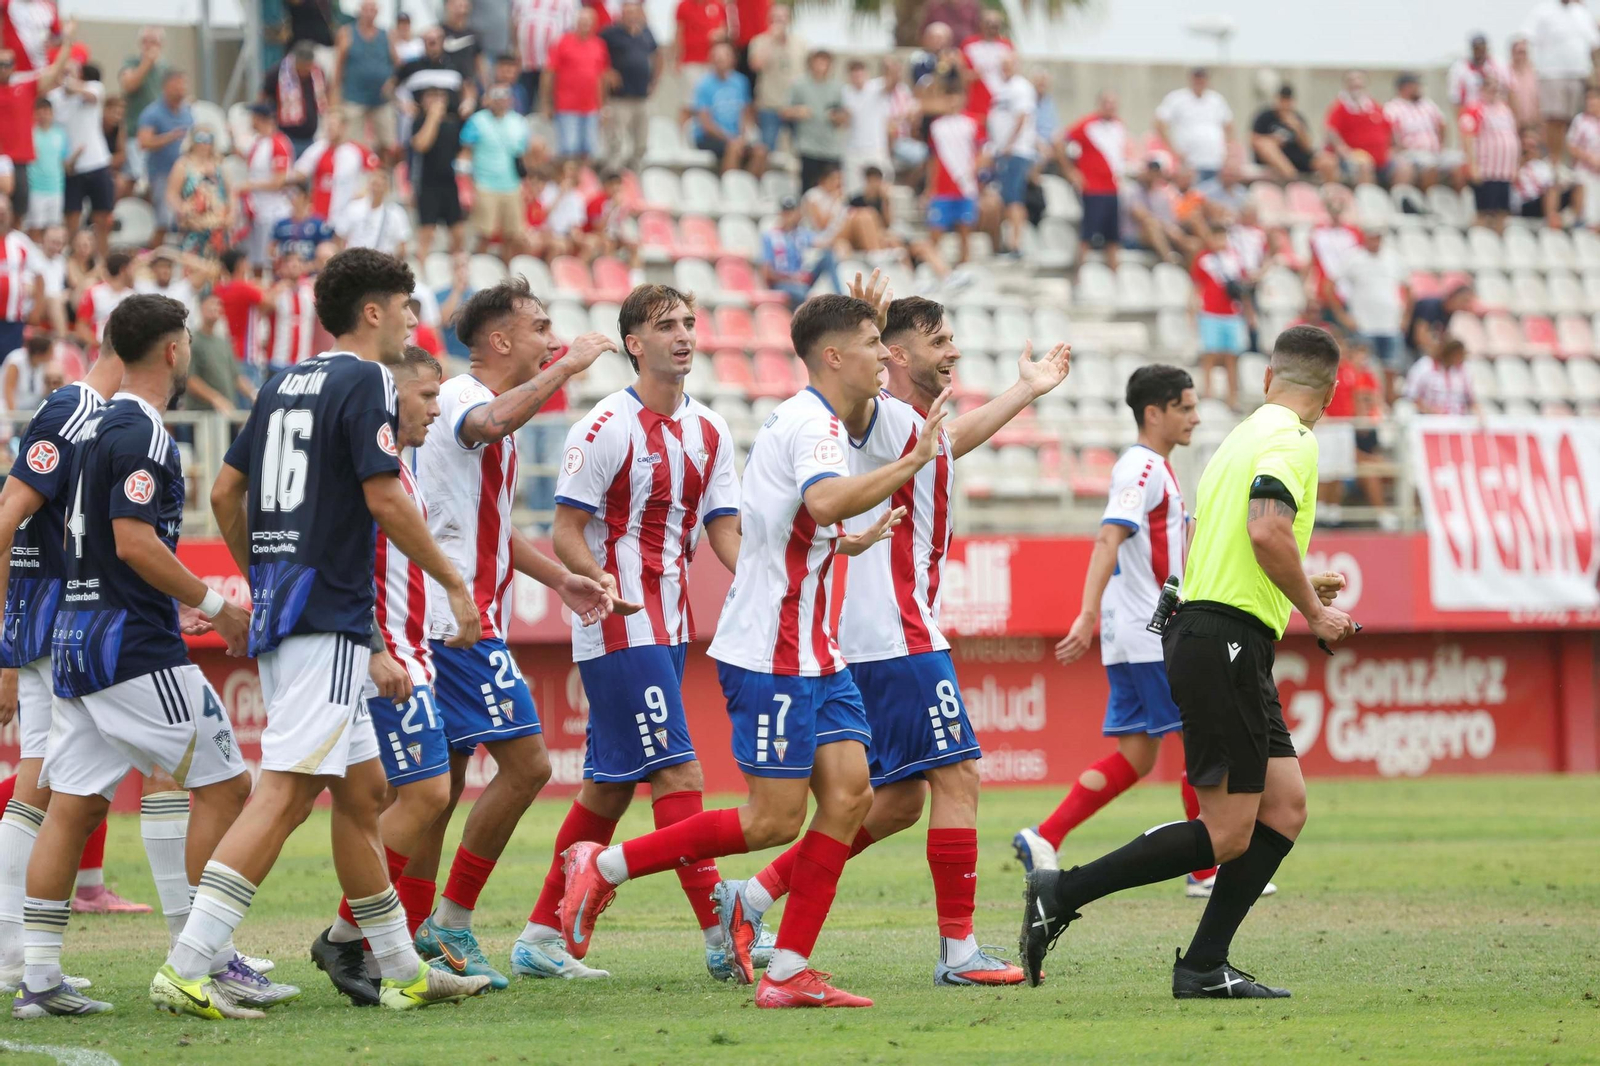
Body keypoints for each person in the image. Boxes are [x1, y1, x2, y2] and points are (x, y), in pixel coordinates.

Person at [555, 291, 954, 1010]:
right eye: (871, 343)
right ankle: (605, 865)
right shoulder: (809, 425)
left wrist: (844, 537)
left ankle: (788, 970)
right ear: (833, 357)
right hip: (770, 647)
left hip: (813, 646)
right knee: (772, 820)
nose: (886, 355)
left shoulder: (825, 420)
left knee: (852, 795)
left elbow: (805, 521)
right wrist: (913, 460)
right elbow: (827, 500)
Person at [156, 249, 493, 1019]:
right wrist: (450, 579)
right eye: (407, 306)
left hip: (293, 613)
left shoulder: (280, 381)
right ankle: (186, 965)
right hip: (326, 618)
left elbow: (225, 489)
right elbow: (384, 497)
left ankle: (401, 967)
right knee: (282, 794)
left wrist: (265, 581)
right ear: (374, 312)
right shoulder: (367, 379)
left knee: (364, 793)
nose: (415, 319)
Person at [721, 283, 1070, 989]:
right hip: (893, 630)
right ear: (896, 353)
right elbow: (855, 399)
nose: (955, 352)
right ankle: (959, 950)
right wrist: (866, 324)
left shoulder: (907, 422)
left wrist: (1024, 391)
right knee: (959, 775)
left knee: (895, 802)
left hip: (880, 630)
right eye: (939, 341)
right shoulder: (869, 418)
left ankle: (752, 896)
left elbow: (953, 442)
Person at [1019, 324, 1357, 998]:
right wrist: (1315, 614)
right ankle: (1061, 892)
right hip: (1222, 640)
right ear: (1331, 393)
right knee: (1229, 832)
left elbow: (1233, 543)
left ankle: (1202, 965)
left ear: (1267, 380)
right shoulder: (1293, 439)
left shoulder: (1241, 437)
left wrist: (1293, 589)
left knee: (1284, 808)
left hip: (1219, 632)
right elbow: (1267, 529)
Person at [20, 295, 280, 1018]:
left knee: (72, 805)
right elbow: (134, 540)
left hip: (75, 637)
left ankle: (37, 980)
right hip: (129, 645)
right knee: (227, 785)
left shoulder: (93, 425)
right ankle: (209, 960)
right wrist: (219, 603)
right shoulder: (142, 430)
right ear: (173, 350)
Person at [521, 285, 764, 980]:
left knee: (607, 789)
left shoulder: (711, 430)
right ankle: (721, 931)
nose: (684, 335)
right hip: (616, 626)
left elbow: (724, 529)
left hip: (671, 623)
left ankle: (538, 938)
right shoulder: (602, 428)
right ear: (635, 343)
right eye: (666, 326)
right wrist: (597, 580)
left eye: (689, 322)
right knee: (680, 771)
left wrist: (764, 584)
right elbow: (565, 531)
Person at [398, 278, 619, 989]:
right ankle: (447, 923)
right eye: (540, 328)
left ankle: (407, 932)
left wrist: (558, 579)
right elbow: (487, 425)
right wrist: (567, 368)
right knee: (526, 766)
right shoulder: (464, 398)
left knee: (447, 782)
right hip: (453, 621)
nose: (553, 340)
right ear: (499, 341)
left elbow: (490, 525)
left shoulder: (486, 410)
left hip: (453, 613)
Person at [1016, 366, 1225, 897]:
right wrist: (1086, 613)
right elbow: (1109, 537)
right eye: (1185, 407)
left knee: (1138, 756)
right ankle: (1205, 868)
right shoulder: (1141, 466)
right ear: (1154, 412)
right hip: (1151, 635)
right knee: (1205, 738)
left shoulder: (1156, 467)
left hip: (1133, 634)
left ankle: (1045, 835)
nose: (1196, 417)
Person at [307, 345, 449, 1005]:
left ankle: (352, 936)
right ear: (391, 399)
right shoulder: (373, 466)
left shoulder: (401, 466)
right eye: (426, 395)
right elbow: (343, 558)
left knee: (388, 797)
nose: (436, 407)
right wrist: (371, 646)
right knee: (420, 795)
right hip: (384, 651)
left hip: (410, 645)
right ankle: (347, 935)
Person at [0, 29, 72, 222]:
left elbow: (55, 71)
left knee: (17, 213)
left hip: (20, 161)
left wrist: (67, 42)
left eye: (7, 64)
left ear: (14, 66)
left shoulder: (24, 88)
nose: (3, 68)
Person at [1523, 0, 1600, 167]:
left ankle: (1569, 163)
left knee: (1577, 122)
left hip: (1579, 73)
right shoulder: (1543, 10)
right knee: (1555, 119)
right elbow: (1528, 38)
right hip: (1552, 73)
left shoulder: (1581, 12)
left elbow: (1594, 42)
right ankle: (1555, 163)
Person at [461, 86, 530, 259]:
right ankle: (477, 268)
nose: (501, 102)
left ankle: (507, 272)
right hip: (485, 183)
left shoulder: (519, 122)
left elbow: (521, 154)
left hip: (512, 184)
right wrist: (466, 184)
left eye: (504, 98)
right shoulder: (477, 121)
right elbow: (466, 152)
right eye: (496, 98)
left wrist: (525, 182)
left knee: (512, 234)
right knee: (485, 234)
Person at [1061, 91, 1126, 272]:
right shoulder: (1087, 125)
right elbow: (1060, 141)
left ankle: (1116, 279)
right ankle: (1078, 276)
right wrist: (1071, 171)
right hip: (1094, 189)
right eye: (1106, 102)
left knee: (1113, 239)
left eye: (1113, 103)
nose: (1110, 107)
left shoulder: (1119, 126)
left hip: (1113, 188)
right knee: (1087, 236)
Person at [1330, 228, 1407, 376]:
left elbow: (1409, 290)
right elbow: (1330, 286)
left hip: (1391, 325)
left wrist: (1405, 317)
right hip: (1363, 325)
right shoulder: (1353, 258)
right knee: (1362, 371)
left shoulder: (1394, 258)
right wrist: (1342, 316)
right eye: (1372, 238)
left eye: (1378, 238)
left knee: (1391, 371)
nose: (1375, 242)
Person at [598, 1, 658, 171]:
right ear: (621, 15)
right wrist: (607, 71)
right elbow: (595, 52)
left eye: (635, 13)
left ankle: (633, 179)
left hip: (641, 98)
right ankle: (613, 179)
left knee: (641, 145)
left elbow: (658, 54)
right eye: (628, 13)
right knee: (618, 145)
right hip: (620, 98)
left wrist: (654, 82)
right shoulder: (610, 34)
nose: (632, 16)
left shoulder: (646, 33)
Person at [987, 51, 1037, 256]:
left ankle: (1015, 244)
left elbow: (1022, 116)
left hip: (1016, 152)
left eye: (1008, 64)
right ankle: (1007, 243)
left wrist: (1009, 144)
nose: (1004, 68)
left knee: (1013, 199)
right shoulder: (1002, 89)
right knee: (1006, 199)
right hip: (1003, 152)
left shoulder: (1021, 87)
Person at [333, 0, 395, 160]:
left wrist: (392, 82)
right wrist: (334, 97)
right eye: (366, 9)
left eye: (372, 10)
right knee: (353, 143)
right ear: (360, 11)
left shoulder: (386, 34)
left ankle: (384, 177)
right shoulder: (347, 33)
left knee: (388, 143)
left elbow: (397, 63)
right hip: (354, 96)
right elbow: (338, 66)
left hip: (381, 98)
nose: (369, 13)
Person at [1192, 229, 1247, 409]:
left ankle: (1232, 396)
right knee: (1211, 354)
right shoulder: (1203, 259)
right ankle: (1209, 393)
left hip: (1232, 313)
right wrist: (1192, 308)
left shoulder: (1234, 258)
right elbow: (1197, 285)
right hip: (1210, 312)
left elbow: (1241, 286)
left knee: (1232, 357)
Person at [293, 110, 378, 224]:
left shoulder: (357, 151)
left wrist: (365, 192)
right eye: (328, 125)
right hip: (320, 215)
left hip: (348, 216)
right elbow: (299, 173)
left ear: (344, 127)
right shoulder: (317, 149)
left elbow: (378, 174)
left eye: (333, 125)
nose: (329, 129)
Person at [545, 8, 608, 161]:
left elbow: (601, 78)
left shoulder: (599, 45)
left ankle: (583, 183)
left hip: (591, 108)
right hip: (566, 107)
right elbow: (548, 75)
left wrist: (603, 106)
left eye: (588, 22)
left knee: (589, 149)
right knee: (568, 149)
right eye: (582, 21)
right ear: (576, 23)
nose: (585, 25)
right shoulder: (562, 42)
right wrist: (547, 103)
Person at [135, 69, 192, 237]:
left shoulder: (187, 111)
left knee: (186, 221)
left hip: (186, 175)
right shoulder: (152, 113)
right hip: (162, 174)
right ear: (166, 87)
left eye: (183, 85)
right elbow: (143, 142)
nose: (181, 89)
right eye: (177, 85)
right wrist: (169, 138)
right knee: (164, 222)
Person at [410, 87, 464, 261]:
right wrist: (433, 117)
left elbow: (462, 151)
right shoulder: (418, 122)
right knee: (427, 233)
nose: (436, 100)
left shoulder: (453, 123)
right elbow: (421, 144)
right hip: (427, 183)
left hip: (449, 182)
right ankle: (421, 273)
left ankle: (454, 271)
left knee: (458, 234)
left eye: (440, 96)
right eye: (431, 96)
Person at [692, 42, 763, 176]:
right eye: (717, 57)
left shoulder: (740, 82)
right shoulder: (704, 85)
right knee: (733, 147)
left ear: (732, 59)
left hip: (735, 137)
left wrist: (742, 137)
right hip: (708, 137)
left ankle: (748, 187)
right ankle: (730, 188)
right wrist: (730, 138)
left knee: (761, 152)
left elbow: (744, 114)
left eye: (724, 56)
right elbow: (706, 123)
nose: (721, 60)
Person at [1459, 78, 1518, 233]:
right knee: (1483, 211)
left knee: (1503, 211)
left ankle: (1498, 243)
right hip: (1487, 170)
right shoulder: (1476, 109)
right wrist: (1473, 165)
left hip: (1504, 171)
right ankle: (1477, 241)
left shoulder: (1505, 110)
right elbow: (1468, 137)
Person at [165, 128, 235, 257]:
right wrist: (182, 210)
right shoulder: (183, 164)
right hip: (194, 222)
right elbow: (172, 193)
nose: (203, 144)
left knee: (218, 262)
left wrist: (232, 213)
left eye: (207, 140)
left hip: (218, 222)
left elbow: (230, 191)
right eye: (200, 139)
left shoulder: (219, 163)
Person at [1154, 67, 1232, 181]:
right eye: (1197, 78)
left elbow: (1229, 126)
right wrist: (1174, 151)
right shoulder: (1177, 98)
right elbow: (1160, 123)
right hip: (1189, 162)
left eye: (1202, 78)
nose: (1199, 81)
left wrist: (1227, 151)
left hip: (1215, 161)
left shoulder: (1216, 100)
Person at [240, 103, 294, 268]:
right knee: (255, 259)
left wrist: (250, 185)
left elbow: (279, 181)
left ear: (259, 119)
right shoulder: (258, 142)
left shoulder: (278, 143)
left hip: (273, 210)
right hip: (257, 209)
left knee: (269, 260)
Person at [183, 292, 253, 414]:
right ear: (200, 308)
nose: (215, 308)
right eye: (210, 304)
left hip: (226, 414)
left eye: (218, 304)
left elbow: (236, 376)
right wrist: (216, 398)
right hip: (201, 416)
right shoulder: (192, 341)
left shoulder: (224, 342)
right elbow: (190, 380)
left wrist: (254, 395)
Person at [746, 3, 803, 154]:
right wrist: (771, 40)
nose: (779, 22)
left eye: (783, 18)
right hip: (769, 107)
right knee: (766, 151)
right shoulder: (759, 41)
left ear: (789, 20)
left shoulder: (800, 44)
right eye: (775, 19)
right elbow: (756, 64)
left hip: (794, 108)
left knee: (800, 152)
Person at [926, 109, 980, 264]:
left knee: (964, 231)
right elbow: (933, 158)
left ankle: (964, 265)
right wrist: (930, 187)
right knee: (936, 231)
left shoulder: (971, 123)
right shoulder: (937, 126)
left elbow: (983, 152)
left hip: (965, 187)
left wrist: (972, 172)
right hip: (942, 189)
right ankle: (934, 265)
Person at [1250, 84, 1334, 184]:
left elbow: (1308, 147)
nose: (1285, 104)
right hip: (1275, 159)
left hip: (1299, 158)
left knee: (1329, 161)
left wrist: (1298, 129)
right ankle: (1293, 179)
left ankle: (1330, 191)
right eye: (1282, 100)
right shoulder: (1265, 116)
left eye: (1288, 100)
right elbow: (1254, 140)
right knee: (1266, 145)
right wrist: (1273, 140)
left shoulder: (1297, 118)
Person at [786, 49, 844, 192]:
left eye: (825, 62)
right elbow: (784, 111)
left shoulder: (837, 87)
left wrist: (837, 117)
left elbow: (844, 116)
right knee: (808, 190)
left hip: (831, 148)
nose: (821, 66)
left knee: (832, 191)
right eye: (818, 62)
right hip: (808, 147)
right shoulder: (799, 84)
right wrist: (798, 112)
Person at [1385, 73, 1452, 190]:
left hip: (1435, 151)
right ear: (1404, 87)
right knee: (1430, 165)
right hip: (1411, 152)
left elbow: (1442, 124)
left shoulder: (1427, 104)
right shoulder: (1393, 108)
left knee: (1458, 163)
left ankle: (1452, 202)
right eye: (1415, 85)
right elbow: (1390, 133)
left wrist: (1441, 144)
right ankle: (1428, 198)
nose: (1418, 88)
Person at [761, 194, 832, 307]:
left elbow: (824, 242)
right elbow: (767, 273)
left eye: (792, 212)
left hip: (802, 279)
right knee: (801, 293)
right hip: (783, 282)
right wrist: (791, 278)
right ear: (780, 214)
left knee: (828, 256)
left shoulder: (801, 234)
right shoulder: (770, 236)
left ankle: (840, 293)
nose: (789, 216)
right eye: (786, 212)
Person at [1322, 70, 1390, 185]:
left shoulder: (1374, 106)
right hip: (1354, 157)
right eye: (1352, 80)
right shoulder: (1340, 107)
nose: (1356, 83)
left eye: (1359, 79)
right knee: (1364, 164)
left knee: (1404, 167)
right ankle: (1367, 197)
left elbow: (1389, 129)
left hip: (1382, 159)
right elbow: (1331, 132)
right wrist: (1344, 151)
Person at [512, 0, 578, 113]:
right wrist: (515, 47)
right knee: (524, 99)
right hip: (526, 61)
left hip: (551, 65)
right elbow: (515, 23)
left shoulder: (568, 2)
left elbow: (570, 30)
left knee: (547, 101)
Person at [264, 41, 325, 160]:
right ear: (296, 62)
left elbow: (323, 97)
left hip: (311, 137)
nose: (306, 70)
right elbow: (263, 97)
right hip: (286, 136)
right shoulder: (278, 72)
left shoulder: (316, 74)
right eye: (303, 67)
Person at [840, 59, 892, 194]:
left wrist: (889, 67)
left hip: (875, 149)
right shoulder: (845, 92)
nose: (857, 78)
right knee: (853, 192)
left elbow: (892, 82)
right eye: (854, 75)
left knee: (881, 190)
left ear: (866, 74)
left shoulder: (876, 87)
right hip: (853, 150)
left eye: (860, 74)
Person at [1517, 125, 1582, 228]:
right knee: (1551, 191)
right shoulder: (1517, 166)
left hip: (1545, 199)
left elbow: (1551, 183)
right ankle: (1552, 221)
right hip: (1526, 203)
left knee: (1578, 186)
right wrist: (1522, 161)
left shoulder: (1542, 166)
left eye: (1533, 146)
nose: (1530, 150)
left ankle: (1575, 221)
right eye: (1527, 146)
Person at [337, 169, 411, 258]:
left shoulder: (396, 213)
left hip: (383, 262)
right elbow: (340, 237)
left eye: (380, 186)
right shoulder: (353, 208)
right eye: (374, 184)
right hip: (355, 261)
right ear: (368, 185)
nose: (377, 189)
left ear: (387, 188)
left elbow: (402, 245)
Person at [957, 9, 1011, 121]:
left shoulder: (1006, 45)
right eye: (989, 23)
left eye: (995, 24)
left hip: (1000, 96)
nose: (992, 27)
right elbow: (960, 72)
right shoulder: (969, 44)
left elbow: (1012, 71)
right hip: (976, 96)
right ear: (981, 24)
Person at [1404, 334, 1477, 415]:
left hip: (1457, 419)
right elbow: (1411, 395)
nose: (1458, 358)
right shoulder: (1424, 366)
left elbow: (1471, 400)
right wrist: (1429, 410)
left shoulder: (1463, 370)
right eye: (1455, 354)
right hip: (1428, 417)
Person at [72, 244, 129, 348]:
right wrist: (101, 346)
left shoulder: (133, 295)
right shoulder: (94, 292)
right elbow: (81, 327)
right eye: (132, 268)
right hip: (99, 350)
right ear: (123, 270)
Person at [1446, 32, 1508, 118]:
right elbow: (1455, 100)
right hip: (1472, 114)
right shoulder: (1460, 69)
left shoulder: (1497, 65)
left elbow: (1505, 91)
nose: (1479, 52)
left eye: (1482, 48)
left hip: (1494, 114)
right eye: (1476, 48)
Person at [22, 94, 61, 235]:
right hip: (35, 188)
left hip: (56, 189)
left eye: (47, 111)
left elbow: (64, 161)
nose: (44, 115)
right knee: (35, 228)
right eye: (40, 111)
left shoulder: (60, 134)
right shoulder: (30, 133)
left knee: (52, 229)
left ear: (52, 113)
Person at [674, 0, 731, 91]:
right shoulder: (683, 6)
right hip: (691, 61)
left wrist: (718, 34)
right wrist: (677, 58)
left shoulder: (717, 5)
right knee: (693, 96)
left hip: (712, 62)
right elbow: (679, 33)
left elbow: (724, 29)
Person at [271, 181, 334, 263]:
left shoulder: (319, 224)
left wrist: (308, 267)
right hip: (285, 271)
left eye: (294, 192)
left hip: (311, 272)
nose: (291, 197)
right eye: (289, 193)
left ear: (305, 196)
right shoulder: (281, 224)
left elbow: (326, 252)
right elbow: (271, 250)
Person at [1566, 86, 1600, 230]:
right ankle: (1581, 223)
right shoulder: (1580, 120)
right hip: (1585, 169)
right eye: (1588, 99)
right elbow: (1571, 145)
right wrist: (1590, 158)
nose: (1591, 102)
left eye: (1594, 99)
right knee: (1583, 186)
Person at [1506, 37, 1540, 129]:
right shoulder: (1506, 73)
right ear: (1512, 53)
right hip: (1513, 123)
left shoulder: (1534, 73)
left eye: (1524, 52)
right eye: (1519, 52)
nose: (1521, 56)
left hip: (1532, 123)